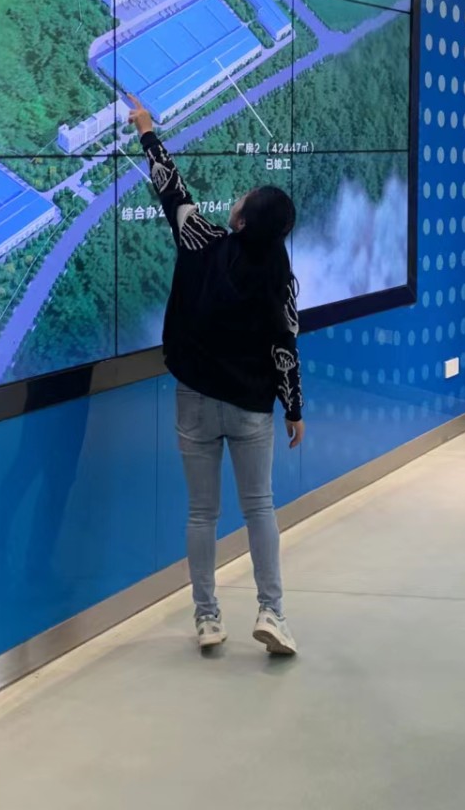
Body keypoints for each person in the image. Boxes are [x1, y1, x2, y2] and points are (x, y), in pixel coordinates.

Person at [127, 95, 305, 656]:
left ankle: (207, 618)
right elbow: (285, 346)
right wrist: (294, 408)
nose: (238, 198)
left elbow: (172, 191)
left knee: (202, 513)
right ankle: (272, 613)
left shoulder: (203, 244)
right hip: (252, 406)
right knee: (260, 508)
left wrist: (147, 132)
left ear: (244, 219)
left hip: (196, 400)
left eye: (245, 199)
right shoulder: (279, 274)